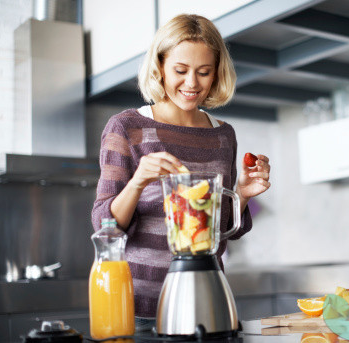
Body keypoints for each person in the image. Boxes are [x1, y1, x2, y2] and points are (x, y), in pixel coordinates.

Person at [91, 14, 271, 331]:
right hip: (140, 311)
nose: (192, 84)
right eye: (180, 70)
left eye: (204, 72)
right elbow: (104, 227)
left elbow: (223, 230)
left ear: (216, 73)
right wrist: (137, 183)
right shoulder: (127, 128)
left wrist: (241, 194)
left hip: (207, 299)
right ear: (159, 67)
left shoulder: (223, 134)